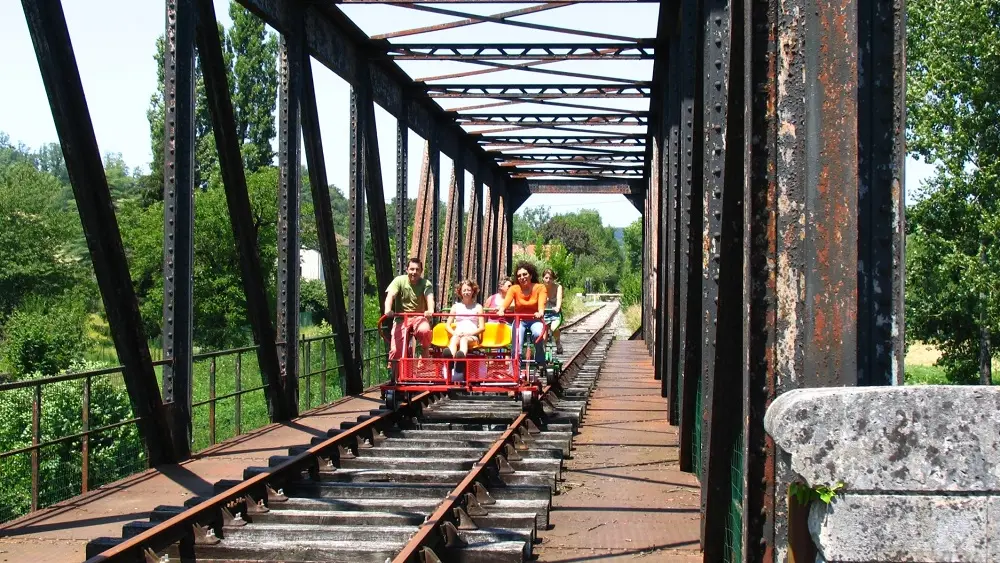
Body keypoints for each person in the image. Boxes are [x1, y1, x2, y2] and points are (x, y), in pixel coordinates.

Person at [498, 261, 547, 375]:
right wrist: (502, 309)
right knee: (517, 342)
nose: (522, 277)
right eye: (519, 275)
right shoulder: (514, 289)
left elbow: (541, 303)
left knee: (537, 334)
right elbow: (506, 302)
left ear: (530, 275)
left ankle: (540, 360)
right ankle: (515, 367)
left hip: (535, 319)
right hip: (520, 320)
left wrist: (540, 312)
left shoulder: (540, 288)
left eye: (525, 274)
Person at [384, 258, 434, 363]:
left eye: (417, 269)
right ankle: (396, 374)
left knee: (425, 331)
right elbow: (390, 295)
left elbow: (429, 297)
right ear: (407, 270)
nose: (414, 272)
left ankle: (424, 352)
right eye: (411, 269)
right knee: (395, 350)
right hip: (401, 318)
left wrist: (430, 310)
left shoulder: (426, 283)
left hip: (419, 317)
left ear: (421, 271)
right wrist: (388, 309)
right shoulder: (399, 281)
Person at [444, 280, 485, 380]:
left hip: (472, 335)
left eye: (469, 290)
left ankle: (460, 360)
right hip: (459, 333)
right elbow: (447, 325)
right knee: (454, 339)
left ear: (473, 291)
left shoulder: (478, 307)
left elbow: (482, 327)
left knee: (464, 340)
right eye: (464, 290)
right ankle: (450, 358)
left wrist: (469, 333)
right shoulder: (455, 306)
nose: (466, 292)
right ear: (460, 292)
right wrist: (455, 333)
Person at [542, 268, 564, 354]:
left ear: (553, 279)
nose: (548, 280)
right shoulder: (540, 287)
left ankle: (558, 343)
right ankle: (542, 350)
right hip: (544, 312)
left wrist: (557, 307)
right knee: (543, 331)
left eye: (550, 278)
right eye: (546, 278)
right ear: (543, 278)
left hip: (555, 313)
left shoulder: (558, 287)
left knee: (554, 328)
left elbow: (559, 298)